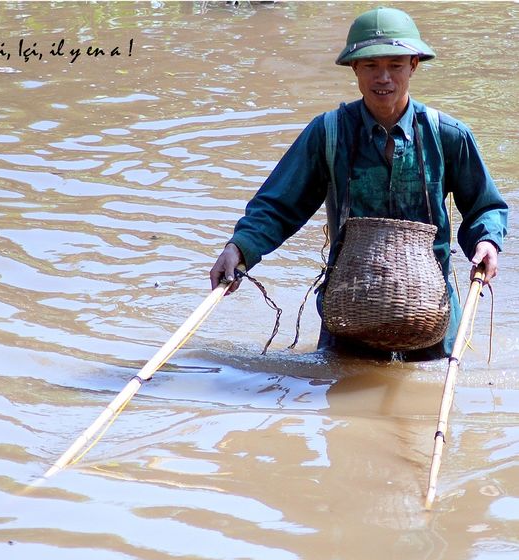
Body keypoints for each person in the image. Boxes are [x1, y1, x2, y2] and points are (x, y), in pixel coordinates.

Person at [209, 6, 508, 361]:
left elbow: (484, 206)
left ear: (413, 65)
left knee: (425, 403)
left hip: (431, 307)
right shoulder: (329, 133)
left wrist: (487, 242)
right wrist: (239, 249)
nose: (383, 78)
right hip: (349, 304)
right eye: (371, 66)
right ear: (354, 68)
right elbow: (279, 206)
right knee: (342, 400)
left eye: (395, 65)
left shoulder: (447, 135)